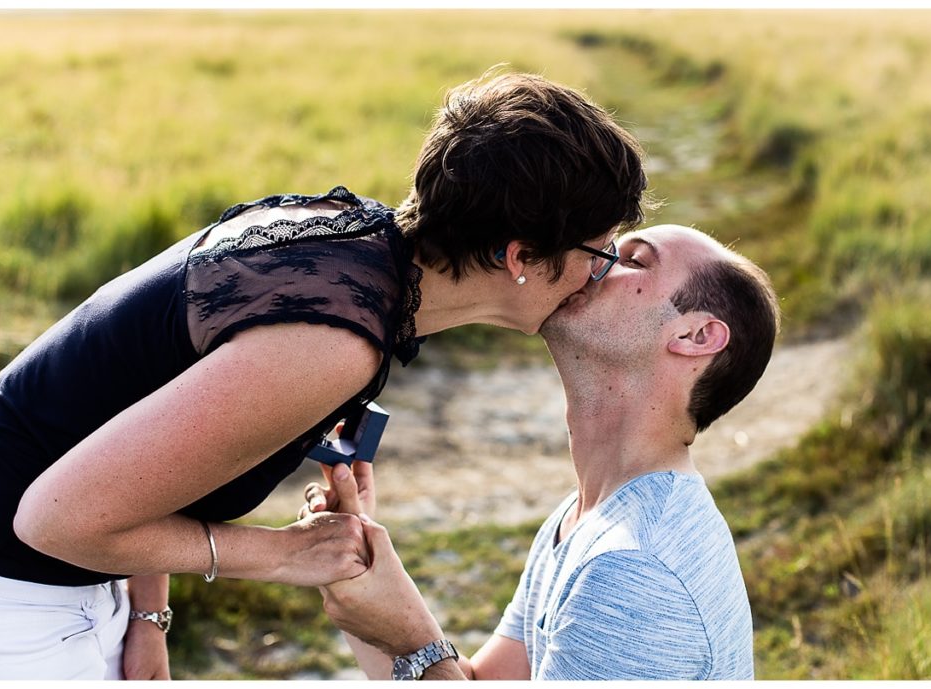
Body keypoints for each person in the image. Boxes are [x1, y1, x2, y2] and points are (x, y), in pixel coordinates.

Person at [0, 70, 647, 680]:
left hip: (62, 577)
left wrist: (147, 613)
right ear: (520, 256)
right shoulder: (333, 341)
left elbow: (133, 406)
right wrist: (284, 554)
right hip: (15, 600)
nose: (603, 271)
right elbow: (52, 520)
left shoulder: (350, 246)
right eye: (599, 250)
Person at [310, 224, 780, 680]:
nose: (594, 261)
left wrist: (409, 636)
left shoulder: (635, 567)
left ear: (695, 337)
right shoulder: (585, 517)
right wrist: (358, 563)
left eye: (632, 260)